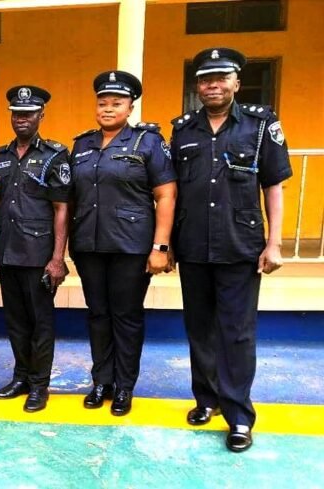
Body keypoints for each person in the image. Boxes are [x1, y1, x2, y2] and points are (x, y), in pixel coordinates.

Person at [171, 48, 291, 452]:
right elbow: (171, 192)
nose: (213, 85)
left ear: (237, 82)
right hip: (193, 246)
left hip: (240, 246)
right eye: (206, 79)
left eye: (221, 77)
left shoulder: (260, 126)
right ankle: (206, 399)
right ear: (197, 86)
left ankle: (239, 415)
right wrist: (166, 243)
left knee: (236, 334)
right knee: (199, 328)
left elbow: (274, 185)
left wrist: (275, 242)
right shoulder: (183, 130)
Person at [70, 71, 177, 416]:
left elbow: (166, 194)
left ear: (130, 106)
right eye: (102, 103)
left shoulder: (148, 142)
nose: (107, 109)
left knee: (126, 317)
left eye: (116, 103)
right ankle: (101, 380)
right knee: (98, 315)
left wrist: (160, 246)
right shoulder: (82, 144)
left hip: (130, 246)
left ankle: (124, 386)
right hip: (89, 244)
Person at [0, 85, 70, 413]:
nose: (22, 119)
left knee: (40, 323)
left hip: (39, 255)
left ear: (41, 115)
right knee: (16, 321)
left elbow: (62, 209)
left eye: (29, 114)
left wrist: (57, 259)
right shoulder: (0, 156)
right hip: (8, 252)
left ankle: (39, 385)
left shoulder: (54, 155)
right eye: (17, 114)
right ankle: (21, 376)